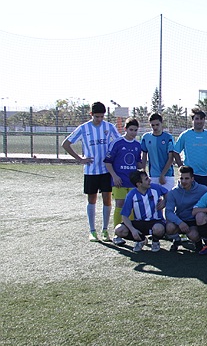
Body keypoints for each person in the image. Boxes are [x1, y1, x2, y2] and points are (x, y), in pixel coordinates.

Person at [62, 101, 120, 242]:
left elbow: (119, 142)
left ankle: (105, 230)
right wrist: (80, 159)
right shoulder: (84, 128)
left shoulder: (109, 127)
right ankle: (92, 231)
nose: (99, 119)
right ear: (91, 114)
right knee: (92, 199)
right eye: (97, 116)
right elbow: (66, 144)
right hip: (90, 171)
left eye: (102, 116)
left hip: (106, 170)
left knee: (107, 199)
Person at [104, 117, 143, 244]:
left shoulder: (137, 145)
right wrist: (115, 176)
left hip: (132, 182)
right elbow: (108, 162)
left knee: (131, 206)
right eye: (131, 130)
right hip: (119, 182)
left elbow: (138, 164)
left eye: (136, 130)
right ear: (125, 129)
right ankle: (117, 234)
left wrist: (145, 162)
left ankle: (130, 232)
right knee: (120, 205)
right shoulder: (117, 143)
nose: (133, 133)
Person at [113, 169, 169, 253]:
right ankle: (141, 240)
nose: (149, 180)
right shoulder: (131, 195)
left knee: (159, 229)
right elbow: (124, 216)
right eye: (146, 179)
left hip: (156, 221)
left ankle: (155, 241)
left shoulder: (156, 188)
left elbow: (168, 194)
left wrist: (165, 201)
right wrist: (132, 230)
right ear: (139, 184)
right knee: (119, 230)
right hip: (139, 222)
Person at [164, 166, 207, 252]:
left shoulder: (203, 189)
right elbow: (168, 212)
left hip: (193, 221)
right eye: (181, 178)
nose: (183, 181)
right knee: (169, 227)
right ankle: (177, 240)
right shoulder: (173, 192)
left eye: (187, 178)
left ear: (192, 179)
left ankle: (198, 242)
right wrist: (180, 222)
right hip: (180, 219)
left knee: (193, 235)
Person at [173, 108, 207, 187]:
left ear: (204, 120)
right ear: (192, 120)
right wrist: (181, 166)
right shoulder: (185, 135)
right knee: (188, 198)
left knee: (203, 198)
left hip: (205, 174)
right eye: (197, 119)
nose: (199, 121)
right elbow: (175, 152)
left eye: (201, 119)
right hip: (190, 175)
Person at [141, 113, 176, 190]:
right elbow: (144, 156)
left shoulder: (168, 137)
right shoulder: (146, 137)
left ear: (161, 123)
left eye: (157, 124)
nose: (155, 127)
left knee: (168, 200)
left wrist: (162, 175)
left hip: (167, 175)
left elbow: (171, 158)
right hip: (153, 175)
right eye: (152, 125)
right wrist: (142, 174)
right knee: (154, 200)